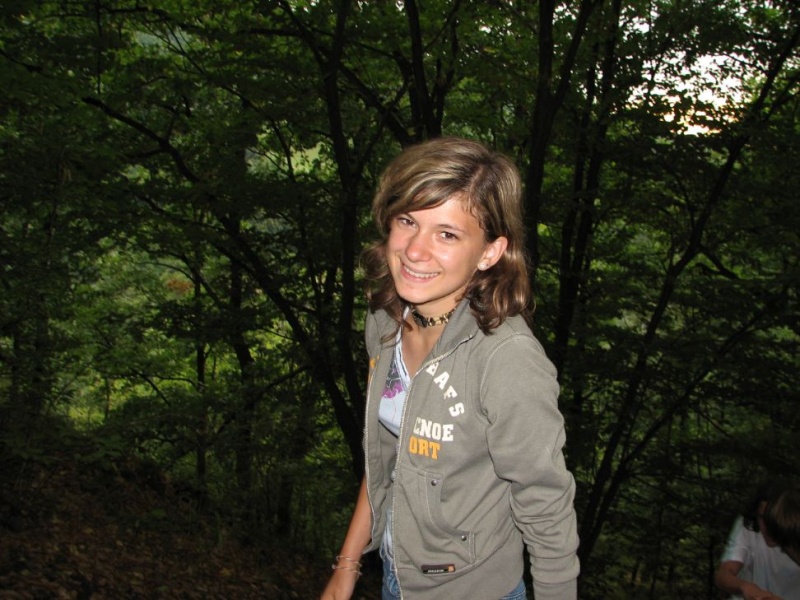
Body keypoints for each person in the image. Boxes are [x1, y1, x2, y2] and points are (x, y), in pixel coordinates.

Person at [320, 137, 580, 600]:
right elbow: (386, 456)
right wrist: (348, 563)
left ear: (490, 252)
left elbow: (546, 506)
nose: (414, 251)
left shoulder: (506, 359)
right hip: (397, 578)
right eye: (407, 221)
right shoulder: (385, 321)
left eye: (447, 234)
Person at [715, 480, 800, 600]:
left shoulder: (794, 535)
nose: (767, 527)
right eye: (762, 518)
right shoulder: (748, 526)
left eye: (773, 519)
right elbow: (724, 574)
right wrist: (744, 587)